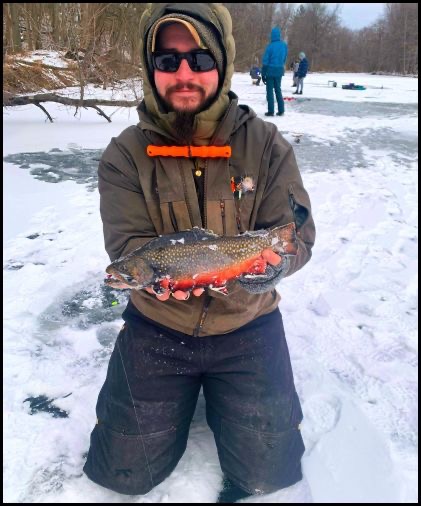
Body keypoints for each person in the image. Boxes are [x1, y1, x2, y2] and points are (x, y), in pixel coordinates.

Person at [83, 3, 315, 503]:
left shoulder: (267, 144)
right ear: (151, 71)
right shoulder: (124, 154)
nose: (183, 73)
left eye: (199, 59)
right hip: (157, 328)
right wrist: (143, 275)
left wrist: (271, 267)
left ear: (222, 64)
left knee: (269, 473)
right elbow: (128, 247)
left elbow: (298, 234)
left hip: (247, 326)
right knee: (120, 473)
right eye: (167, 61)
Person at [261, 27, 288, 116]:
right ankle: (281, 110)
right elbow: (284, 58)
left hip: (270, 70)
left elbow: (265, 61)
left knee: (269, 91)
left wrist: (263, 73)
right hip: (279, 70)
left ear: (272, 36)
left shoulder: (270, 47)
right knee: (278, 90)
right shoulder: (284, 45)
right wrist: (281, 65)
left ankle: (271, 110)